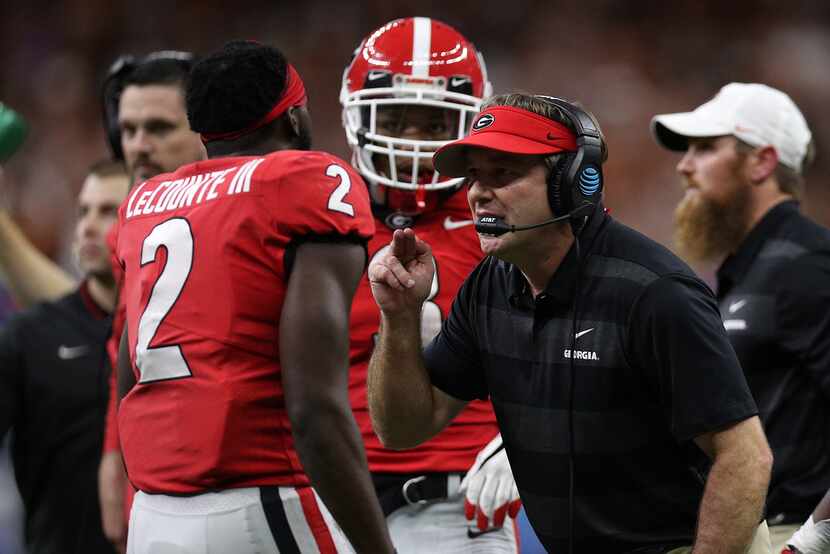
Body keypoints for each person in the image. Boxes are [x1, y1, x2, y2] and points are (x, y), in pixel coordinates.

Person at [367, 92, 775, 553]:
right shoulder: (489, 286)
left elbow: (744, 456)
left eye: (503, 173)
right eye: (475, 176)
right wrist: (398, 319)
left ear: (573, 182)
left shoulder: (654, 293)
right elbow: (401, 430)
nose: (479, 192)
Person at [113, 40, 393, 554]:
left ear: (201, 132)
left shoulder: (144, 202)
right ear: (294, 119)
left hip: (153, 511)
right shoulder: (308, 181)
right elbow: (314, 408)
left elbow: (128, 372)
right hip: (261, 495)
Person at [339, 17, 523, 553]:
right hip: (327, 499)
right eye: (396, 119)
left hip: (454, 506)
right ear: (358, 114)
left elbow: (587, 335)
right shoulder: (320, 215)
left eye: (434, 125)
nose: (413, 143)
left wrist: (533, 438)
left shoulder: (508, 215)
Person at [651, 82, 830, 553]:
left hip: (792, 532)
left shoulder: (807, 266)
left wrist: (817, 539)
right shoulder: (754, 267)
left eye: (706, 147)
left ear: (763, 162)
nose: (684, 166)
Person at [0, 159, 129, 553]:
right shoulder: (31, 336)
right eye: (83, 211)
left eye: (108, 212)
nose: (89, 225)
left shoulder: (171, 335)